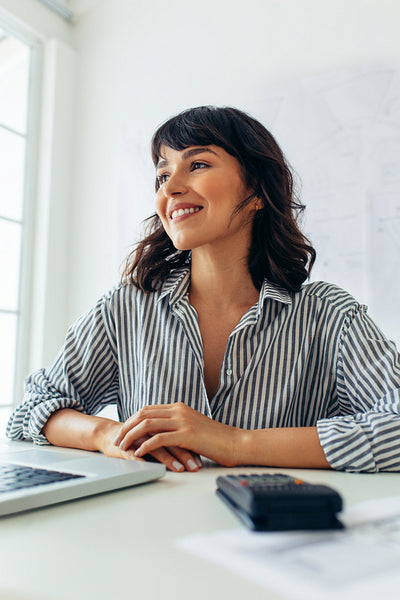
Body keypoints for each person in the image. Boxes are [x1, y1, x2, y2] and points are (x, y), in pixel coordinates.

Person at [7, 106, 400, 473]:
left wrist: (234, 443)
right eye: (163, 175)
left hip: (274, 538)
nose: (171, 188)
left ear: (259, 192)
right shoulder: (126, 307)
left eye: (196, 164)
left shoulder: (330, 315)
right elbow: (33, 410)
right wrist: (107, 434)